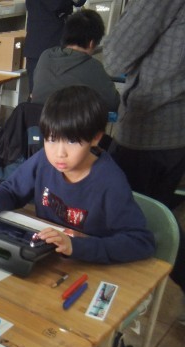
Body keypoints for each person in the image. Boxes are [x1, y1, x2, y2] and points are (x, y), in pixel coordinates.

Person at [0, 86, 155, 264]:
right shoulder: (43, 160)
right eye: (51, 139)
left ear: (95, 138)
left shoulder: (110, 181)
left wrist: (75, 246)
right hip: (46, 256)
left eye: (72, 141)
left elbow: (140, 241)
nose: (59, 153)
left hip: (87, 263)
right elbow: (12, 190)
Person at [103, 0, 185, 312]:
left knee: (132, 221)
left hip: (150, 127)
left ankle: (119, 304)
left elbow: (114, 57)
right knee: (156, 216)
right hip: (175, 131)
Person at [31, 9, 120, 112]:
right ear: (91, 43)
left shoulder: (46, 56)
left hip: (36, 119)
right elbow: (113, 103)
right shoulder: (93, 66)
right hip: (69, 121)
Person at [24, 0, 86, 95]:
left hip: (64, 41)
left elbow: (79, 2)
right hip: (42, 44)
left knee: (64, 94)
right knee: (39, 95)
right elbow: (56, 4)